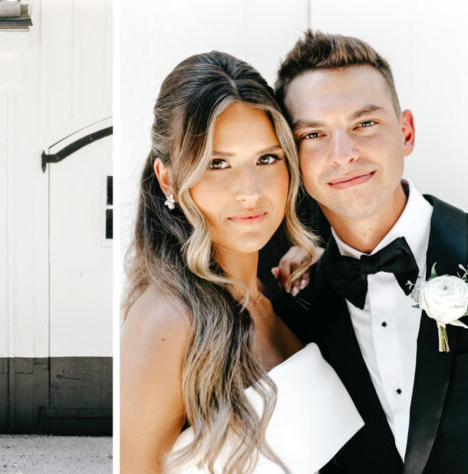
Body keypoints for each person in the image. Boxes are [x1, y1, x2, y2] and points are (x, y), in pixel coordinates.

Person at [120, 51, 362, 473]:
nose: (250, 191)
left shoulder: (277, 295)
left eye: (267, 159)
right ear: (168, 178)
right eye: (217, 163)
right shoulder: (168, 320)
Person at [270, 31, 468, 474]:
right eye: (314, 134)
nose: (343, 155)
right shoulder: (290, 299)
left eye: (364, 124)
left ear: (406, 133)